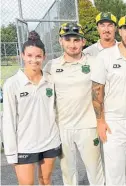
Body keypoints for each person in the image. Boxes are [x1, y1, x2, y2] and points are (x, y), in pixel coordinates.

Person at [43, 23, 104, 185]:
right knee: (68, 174)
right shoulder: (51, 66)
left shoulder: (94, 62)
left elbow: (100, 91)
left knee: (95, 171)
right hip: (63, 127)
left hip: (88, 126)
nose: (72, 44)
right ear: (60, 41)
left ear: (83, 41)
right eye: (68, 39)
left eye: (76, 40)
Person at [90, 15, 126, 185]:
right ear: (120, 31)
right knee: (115, 172)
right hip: (113, 123)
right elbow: (96, 91)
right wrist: (100, 121)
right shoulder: (105, 56)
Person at [2, 31, 61, 185]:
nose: (33, 60)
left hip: (49, 141)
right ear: (22, 55)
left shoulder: (50, 80)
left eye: (38, 56)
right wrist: (11, 152)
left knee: (46, 180)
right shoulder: (12, 84)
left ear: (44, 57)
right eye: (29, 56)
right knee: (27, 184)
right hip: (24, 145)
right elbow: (8, 120)